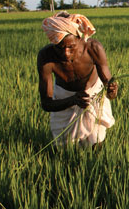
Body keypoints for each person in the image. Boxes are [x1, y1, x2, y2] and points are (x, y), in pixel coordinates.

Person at [38, 11, 118, 146]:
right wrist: (72, 101)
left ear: (79, 38)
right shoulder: (46, 57)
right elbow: (46, 103)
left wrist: (112, 90)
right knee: (63, 143)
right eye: (60, 48)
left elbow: (109, 92)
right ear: (53, 43)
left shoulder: (93, 48)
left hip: (93, 94)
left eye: (71, 47)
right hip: (64, 96)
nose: (66, 53)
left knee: (96, 139)